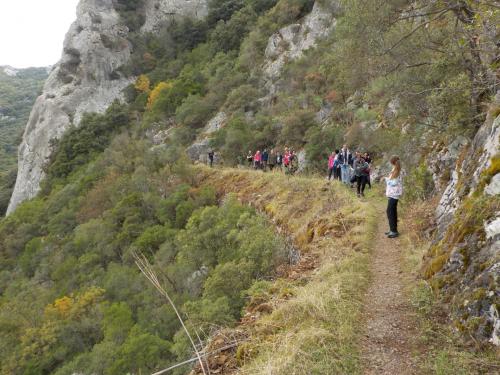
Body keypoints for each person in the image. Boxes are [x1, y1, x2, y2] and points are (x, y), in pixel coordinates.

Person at [385, 155, 403, 238]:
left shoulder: (397, 170)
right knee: (392, 212)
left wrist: (386, 180)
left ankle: (394, 231)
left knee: (390, 212)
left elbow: (394, 183)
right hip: (393, 194)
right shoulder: (396, 169)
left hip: (394, 194)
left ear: (392, 162)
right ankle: (393, 229)